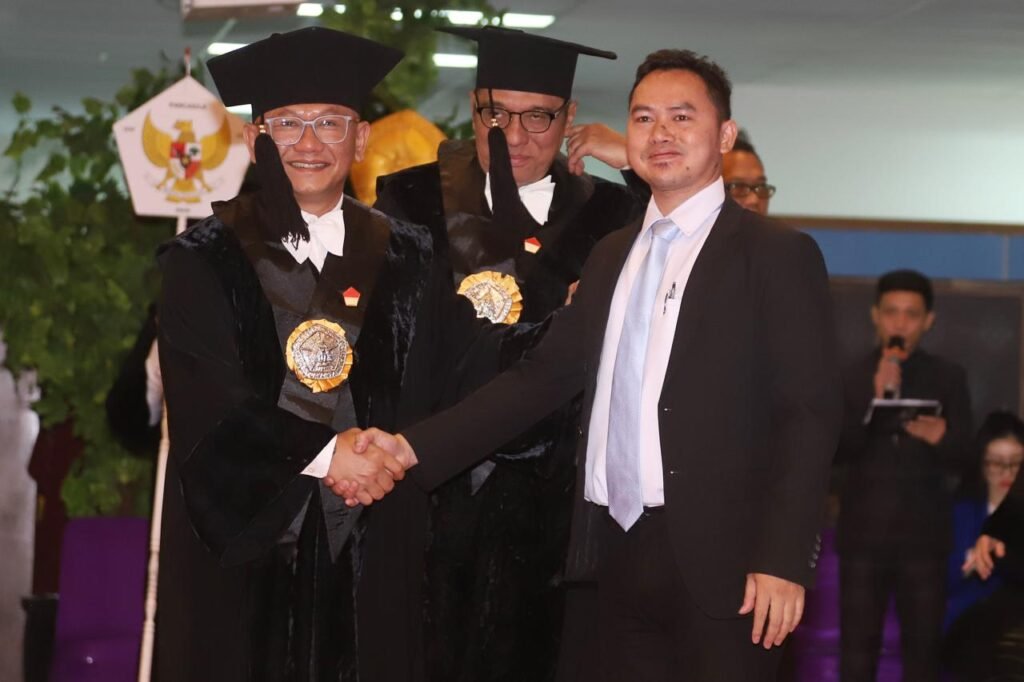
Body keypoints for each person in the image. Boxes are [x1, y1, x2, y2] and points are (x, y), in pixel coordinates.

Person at [337, 48, 842, 681]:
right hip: (607, 559)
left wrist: (783, 559)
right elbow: (538, 379)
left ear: (724, 135)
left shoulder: (775, 254)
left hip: (726, 568)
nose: (660, 134)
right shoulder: (610, 254)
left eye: (682, 117)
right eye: (644, 118)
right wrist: (410, 448)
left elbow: (809, 415)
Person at [154, 27, 498, 681]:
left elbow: (469, 365)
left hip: (377, 547)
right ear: (255, 139)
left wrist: (583, 318)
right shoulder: (202, 259)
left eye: (330, 122)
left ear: (360, 139)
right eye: (287, 123)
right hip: (249, 559)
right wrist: (329, 453)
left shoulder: (412, 255)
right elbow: (210, 402)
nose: (308, 143)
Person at [373, 26, 644, 682]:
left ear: (570, 119)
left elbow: (700, 243)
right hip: (427, 481)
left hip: (554, 499)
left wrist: (636, 161)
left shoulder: (615, 213)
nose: (515, 136)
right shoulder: (408, 199)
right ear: (473, 110)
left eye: (539, 117)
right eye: (496, 114)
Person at [835, 269, 973, 681]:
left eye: (911, 314)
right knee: (856, 654)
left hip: (925, 541)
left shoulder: (948, 377)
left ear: (928, 321)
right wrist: (874, 398)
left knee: (924, 654)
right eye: (891, 312)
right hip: (863, 539)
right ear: (875, 316)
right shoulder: (849, 376)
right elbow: (833, 453)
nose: (900, 323)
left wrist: (942, 436)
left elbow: (967, 459)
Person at [566, 125, 774, 215]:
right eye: (738, 187)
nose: (754, 200)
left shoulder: (779, 253)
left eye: (760, 187)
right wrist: (632, 160)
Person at [945, 410, 1023, 629]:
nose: (1008, 473)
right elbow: (939, 581)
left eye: (1017, 463)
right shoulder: (962, 512)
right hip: (968, 621)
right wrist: (971, 559)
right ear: (982, 465)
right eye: (996, 463)